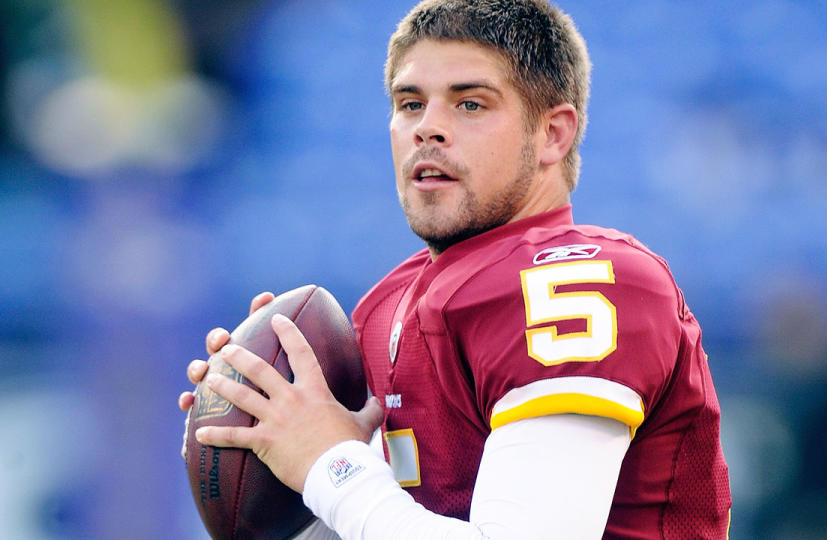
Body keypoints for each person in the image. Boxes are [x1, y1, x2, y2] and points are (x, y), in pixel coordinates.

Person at [178, 1, 731, 538]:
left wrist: (332, 464)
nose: (428, 129)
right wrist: (273, 448)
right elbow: (386, 519)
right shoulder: (383, 309)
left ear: (552, 135)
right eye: (411, 104)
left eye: (470, 104)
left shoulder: (575, 282)